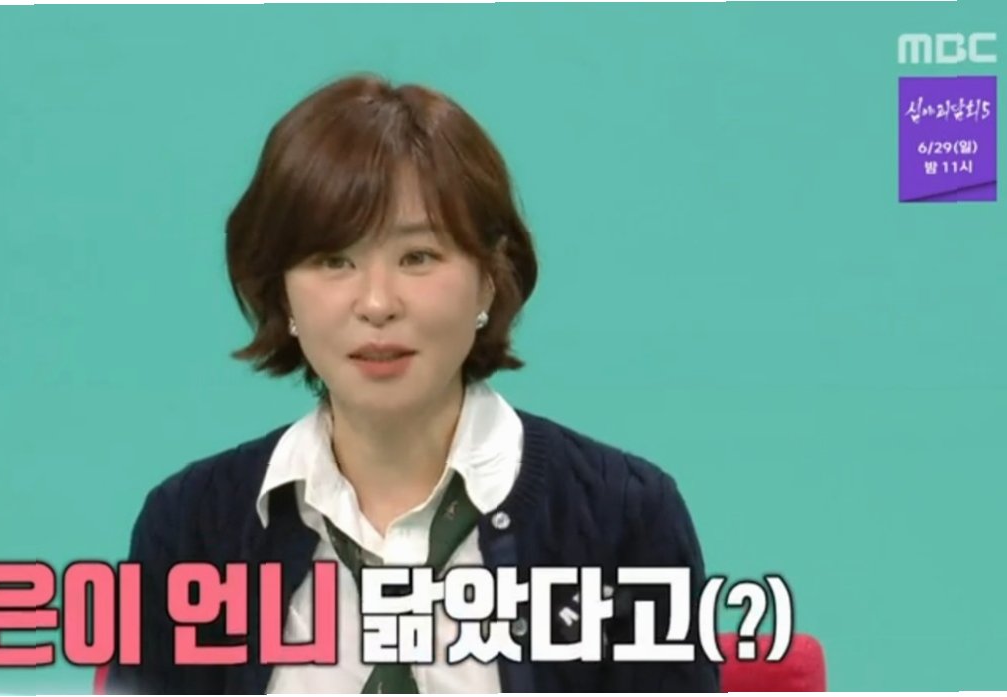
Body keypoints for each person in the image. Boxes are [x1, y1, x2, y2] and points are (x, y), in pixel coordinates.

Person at [104, 73, 719, 694]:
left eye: (417, 257)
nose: (377, 303)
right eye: (334, 260)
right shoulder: (191, 525)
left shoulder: (622, 516)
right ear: (281, 293)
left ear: (489, 278)